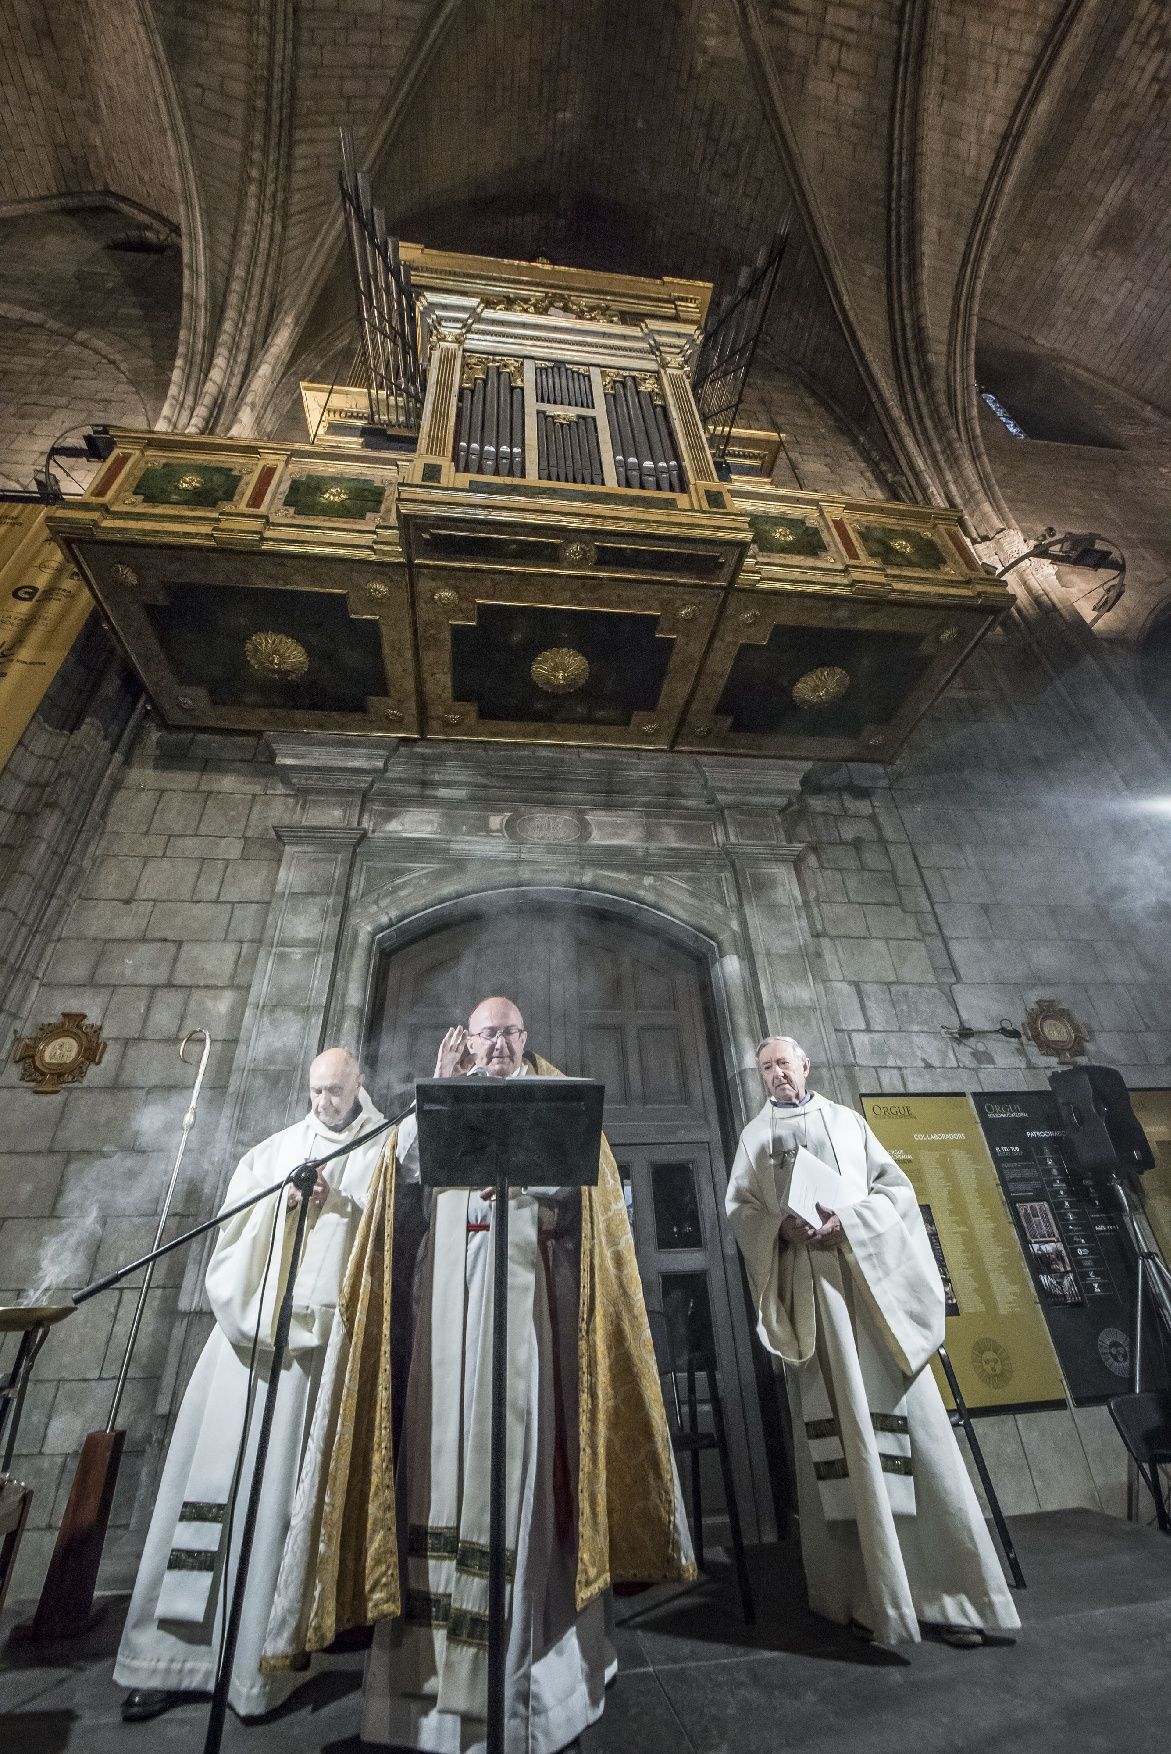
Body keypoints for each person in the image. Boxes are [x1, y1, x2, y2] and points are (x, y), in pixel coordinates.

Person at [263, 996, 694, 1753]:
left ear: (526, 1040)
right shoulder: (443, 1097)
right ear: (467, 1038)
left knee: (516, 1466)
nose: (496, 1045)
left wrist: (531, 1183)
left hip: (529, 1317)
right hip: (446, 1317)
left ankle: (529, 1682)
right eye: (484, 1033)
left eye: (508, 1034)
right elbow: (399, 1185)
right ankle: (424, 1686)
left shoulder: (557, 1098)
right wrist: (430, 1099)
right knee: (436, 1463)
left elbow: (589, 1198)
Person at [115, 1048, 386, 1721]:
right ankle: (168, 1657)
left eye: (336, 1090)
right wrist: (286, 1209)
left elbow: (394, 1239)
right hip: (245, 1347)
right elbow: (231, 1244)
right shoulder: (271, 1156)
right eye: (316, 1091)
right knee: (208, 1492)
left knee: (283, 1510)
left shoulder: (385, 1151)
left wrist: (339, 1207)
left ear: (361, 1085)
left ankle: (264, 1665)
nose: (324, 1102)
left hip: (320, 1361)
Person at [725, 1034, 1020, 1648]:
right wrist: (781, 1223)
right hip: (814, 1303)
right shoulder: (753, 1141)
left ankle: (951, 1598)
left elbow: (896, 1194)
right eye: (766, 1067)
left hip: (871, 1297)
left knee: (921, 1444)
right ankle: (862, 1598)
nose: (777, 1073)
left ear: (807, 1064)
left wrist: (848, 1221)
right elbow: (741, 1212)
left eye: (785, 1062)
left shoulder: (850, 1124)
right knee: (842, 1446)